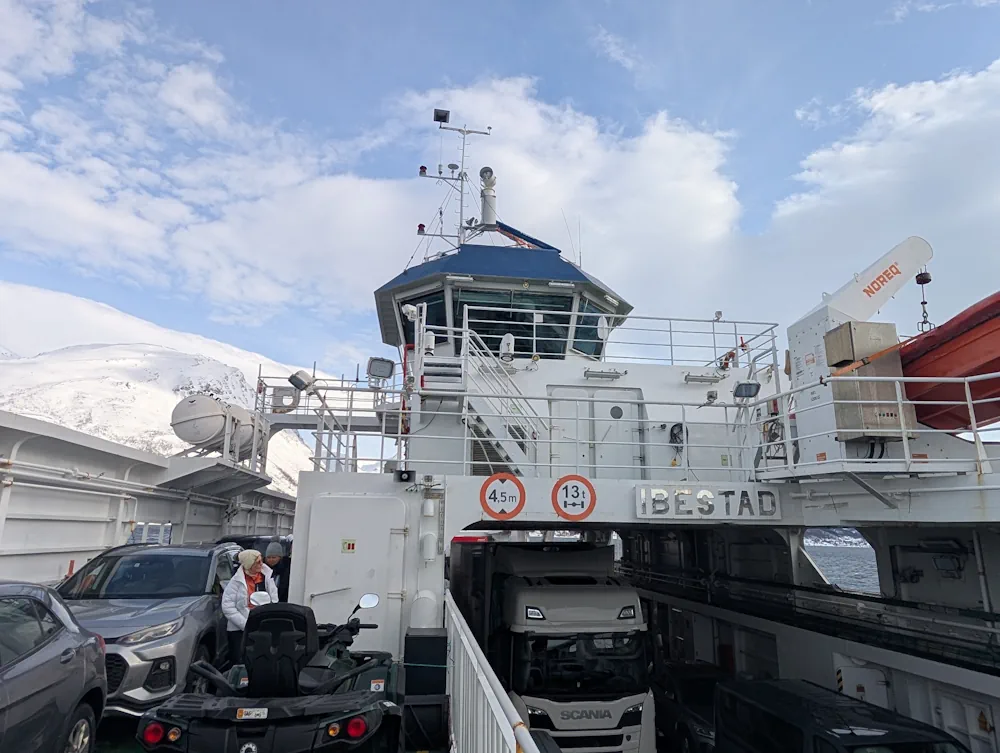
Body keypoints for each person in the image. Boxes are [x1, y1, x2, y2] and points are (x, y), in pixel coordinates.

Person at [221, 548, 278, 665]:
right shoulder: (236, 581)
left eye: (261, 561)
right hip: (239, 630)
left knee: (262, 660)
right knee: (240, 661)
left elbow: (274, 599)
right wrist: (245, 624)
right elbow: (227, 606)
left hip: (262, 627)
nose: (261, 564)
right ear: (249, 564)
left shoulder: (267, 577)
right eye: (258, 562)